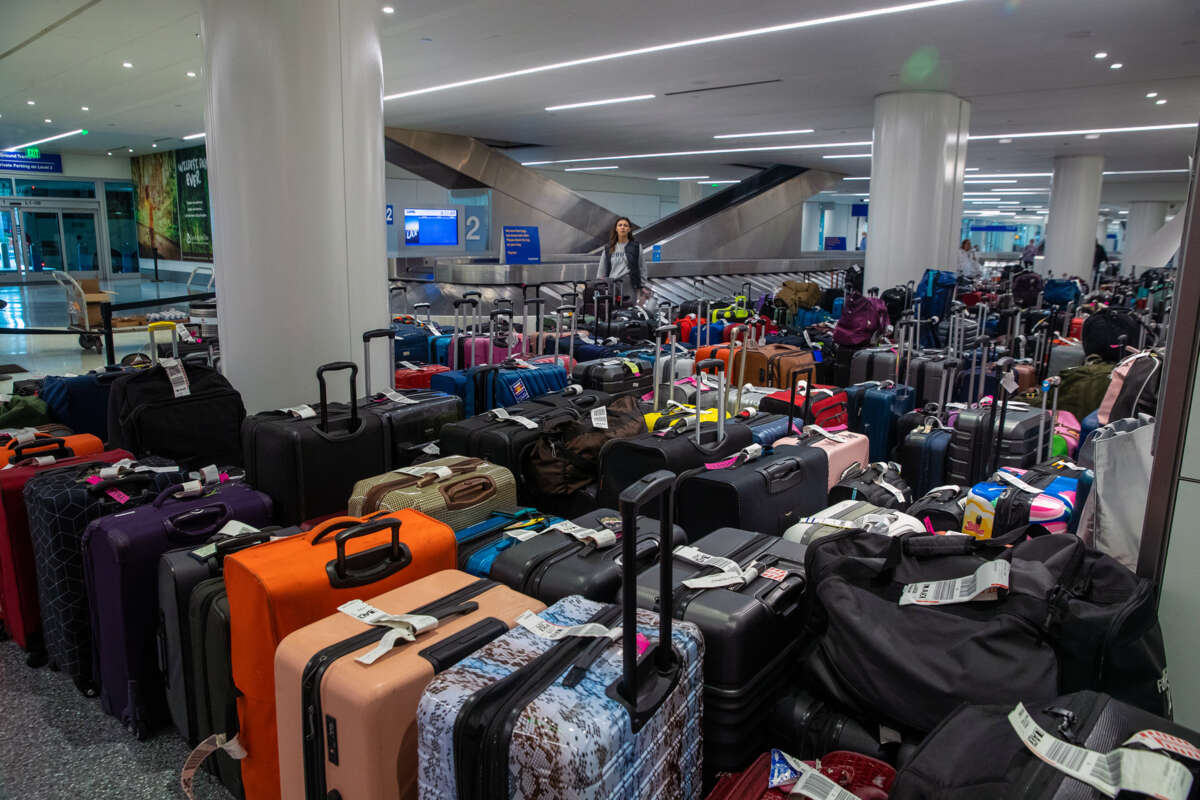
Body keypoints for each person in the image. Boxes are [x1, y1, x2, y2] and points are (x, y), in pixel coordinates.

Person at [598, 216, 649, 305]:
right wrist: (600, 285)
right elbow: (602, 269)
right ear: (616, 229)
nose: (622, 227)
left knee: (629, 312)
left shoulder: (636, 247)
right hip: (613, 286)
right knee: (613, 312)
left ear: (629, 229)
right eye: (620, 225)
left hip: (630, 285)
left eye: (625, 225)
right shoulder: (608, 248)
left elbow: (642, 267)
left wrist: (642, 285)